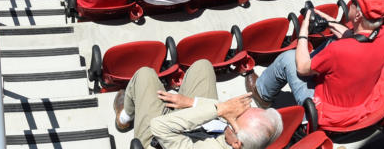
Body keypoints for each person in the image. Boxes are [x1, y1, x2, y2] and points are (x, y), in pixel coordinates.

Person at [248, 0, 384, 132]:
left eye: (353, 0)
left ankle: (262, 94)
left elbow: (303, 69)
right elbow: (356, 38)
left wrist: (303, 31)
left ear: (358, 15)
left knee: (289, 57)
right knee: (332, 40)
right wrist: (328, 21)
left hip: (330, 114)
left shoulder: (339, 51)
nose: (349, 3)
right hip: (360, 98)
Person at [113, 59, 282, 149]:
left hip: (160, 138)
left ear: (237, 144)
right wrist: (191, 102)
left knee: (145, 75)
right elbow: (221, 116)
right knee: (203, 67)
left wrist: (220, 109)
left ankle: (124, 117)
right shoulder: (242, 138)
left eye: (235, 119)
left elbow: (159, 126)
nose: (233, 114)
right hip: (198, 128)